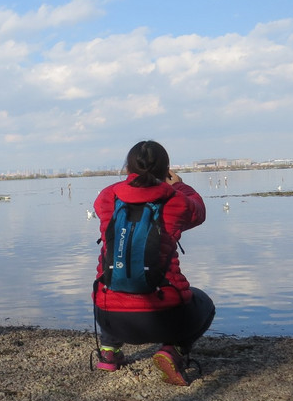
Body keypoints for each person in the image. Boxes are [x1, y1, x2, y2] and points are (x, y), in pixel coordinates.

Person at [92, 141, 215, 386]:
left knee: (114, 281)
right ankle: (172, 351)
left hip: (109, 317)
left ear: (127, 167)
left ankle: (109, 353)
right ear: (165, 169)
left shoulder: (109, 196)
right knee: (204, 303)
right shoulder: (175, 199)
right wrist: (178, 185)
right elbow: (198, 212)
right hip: (162, 319)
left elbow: (101, 209)